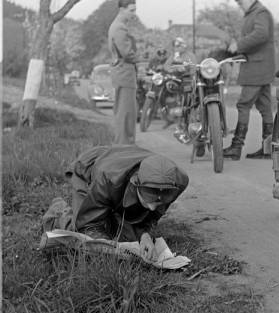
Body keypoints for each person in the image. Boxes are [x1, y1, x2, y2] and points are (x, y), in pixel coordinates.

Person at [66, 145, 189, 260]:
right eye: (148, 198)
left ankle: (113, 213)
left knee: (127, 231)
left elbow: (151, 216)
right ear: (135, 184)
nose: (152, 208)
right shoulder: (107, 179)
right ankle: (58, 211)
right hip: (89, 166)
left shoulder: (178, 181)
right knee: (84, 234)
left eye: (159, 202)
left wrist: (144, 235)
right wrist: (112, 249)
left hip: (122, 159)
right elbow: (89, 224)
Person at [223, 0, 276, 160]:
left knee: (243, 104)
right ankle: (269, 150)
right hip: (260, 67)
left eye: (240, 2)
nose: (239, 4)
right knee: (265, 108)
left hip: (257, 69)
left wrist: (238, 45)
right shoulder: (255, 13)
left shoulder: (260, 12)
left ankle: (236, 147)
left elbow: (261, 34)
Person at [108, 0, 138, 145]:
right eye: (131, 11)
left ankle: (124, 147)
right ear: (122, 9)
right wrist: (140, 59)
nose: (134, 14)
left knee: (124, 112)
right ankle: (124, 148)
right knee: (126, 114)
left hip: (122, 73)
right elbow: (127, 53)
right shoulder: (120, 28)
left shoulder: (118, 26)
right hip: (124, 74)